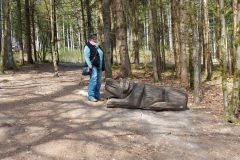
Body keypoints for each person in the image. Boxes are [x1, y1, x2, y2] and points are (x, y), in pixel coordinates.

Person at [84, 32, 105, 102]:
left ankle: (97, 95)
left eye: (96, 37)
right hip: (93, 66)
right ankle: (91, 96)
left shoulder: (98, 46)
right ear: (90, 38)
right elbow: (86, 57)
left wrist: (103, 67)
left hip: (99, 66)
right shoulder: (88, 46)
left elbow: (102, 56)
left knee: (98, 81)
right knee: (93, 80)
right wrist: (90, 66)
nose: (95, 38)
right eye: (93, 37)